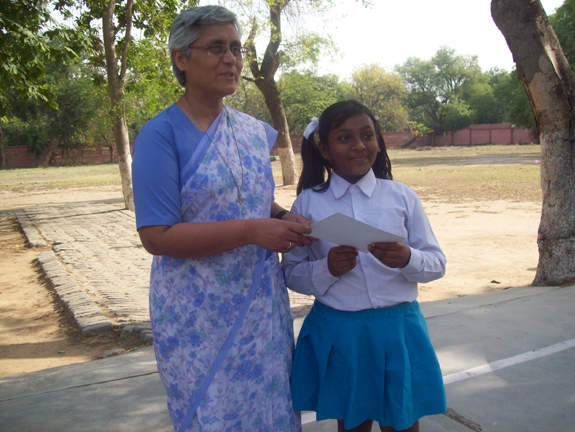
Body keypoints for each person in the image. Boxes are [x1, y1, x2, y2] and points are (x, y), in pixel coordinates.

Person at [131, 6, 310, 432]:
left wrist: (284, 216)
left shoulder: (252, 131)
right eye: (216, 48)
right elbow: (157, 235)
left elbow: (251, 198)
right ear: (181, 58)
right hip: (199, 319)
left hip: (261, 309)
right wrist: (252, 231)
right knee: (213, 416)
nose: (231, 59)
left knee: (271, 412)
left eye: (235, 48)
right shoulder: (161, 134)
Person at [282, 100, 447, 432]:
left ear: (378, 141)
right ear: (325, 149)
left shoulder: (401, 197)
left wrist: (407, 258)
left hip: (398, 329)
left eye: (367, 135)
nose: (359, 145)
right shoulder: (308, 203)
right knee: (352, 423)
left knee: (402, 420)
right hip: (341, 333)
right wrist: (327, 268)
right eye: (344, 138)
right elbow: (291, 273)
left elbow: (437, 263)